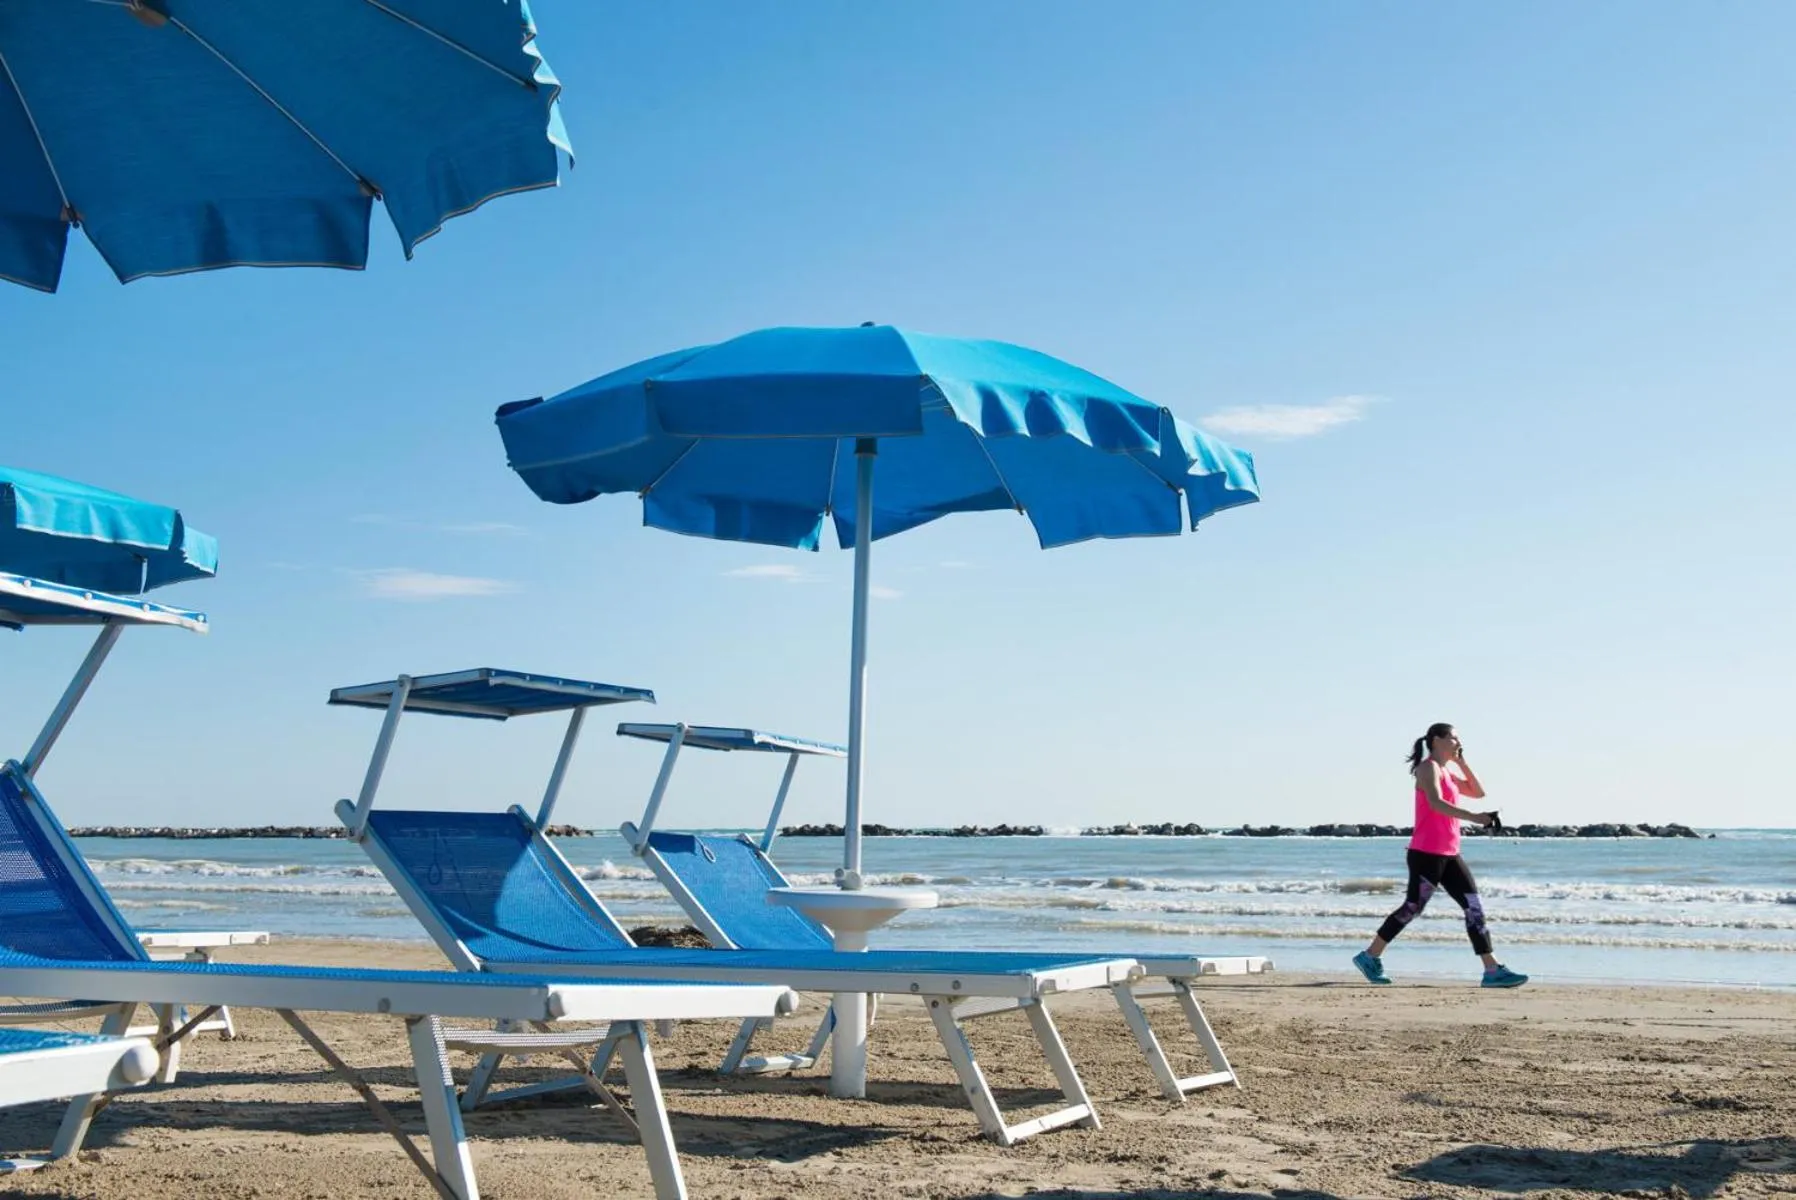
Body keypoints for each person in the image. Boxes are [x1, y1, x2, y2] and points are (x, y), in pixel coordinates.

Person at [1352, 723, 1527, 988]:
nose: (1458, 742)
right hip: (1426, 853)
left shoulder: (1447, 771)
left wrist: (1461, 762)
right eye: (1454, 738)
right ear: (1436, 740)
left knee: (1474, 908)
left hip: (1450, 854)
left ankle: (1492, 970)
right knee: (1412, 907)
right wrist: (1476, 818)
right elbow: (1435, 803)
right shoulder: (1427, 768)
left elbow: (1478, 792)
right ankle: (1369, 956)